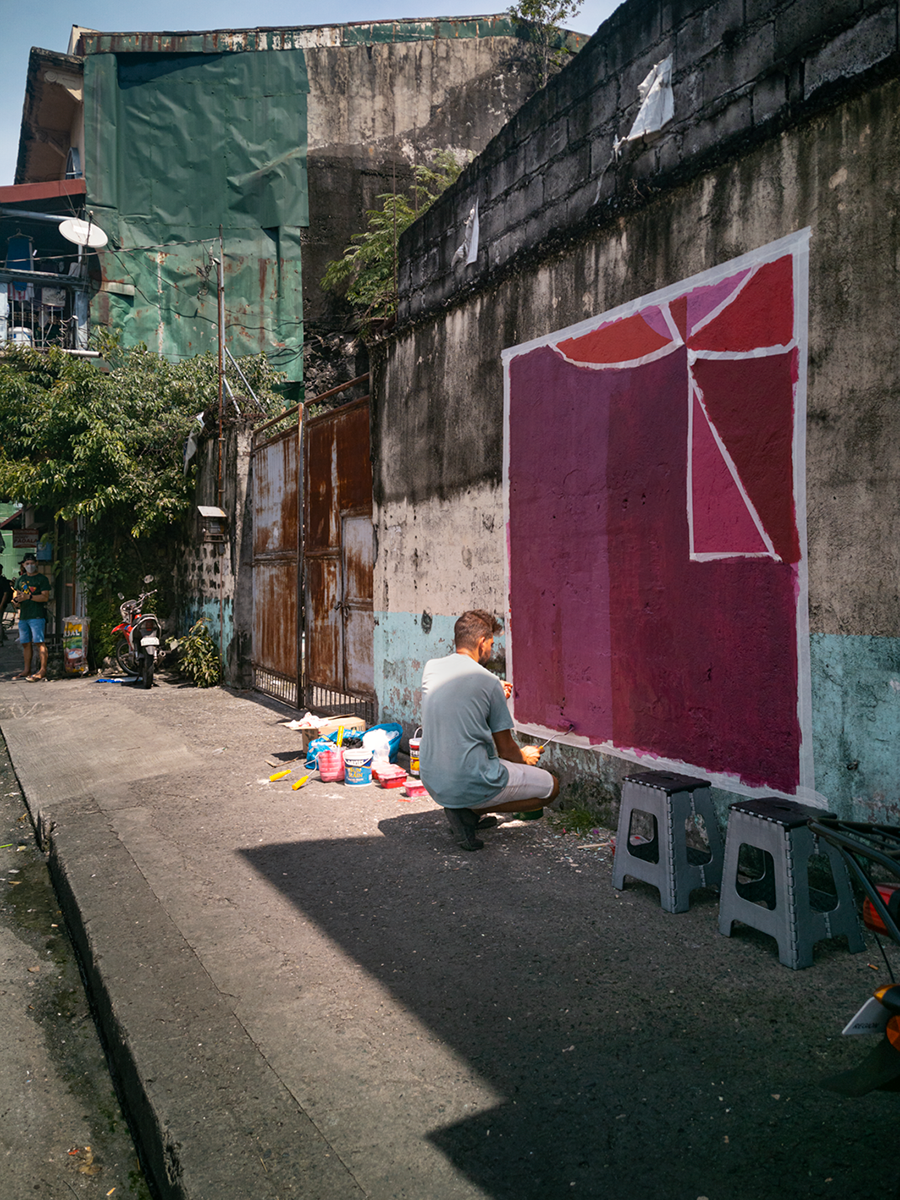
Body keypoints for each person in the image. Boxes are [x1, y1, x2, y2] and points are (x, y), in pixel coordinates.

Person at [419, 609, 560, 850]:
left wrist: (493, 692)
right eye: (492, 644)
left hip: (431, 776)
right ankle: (470, 811)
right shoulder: (489, 682)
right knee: (551, 787)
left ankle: (464, 809)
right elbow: (507, 750)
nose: (491, 651)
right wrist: (524, 757)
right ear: (482, 642)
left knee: (492, 765)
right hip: (464, 780)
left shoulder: (432, 668)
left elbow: (462, 703)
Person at [11, 553, 51, 681]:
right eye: (27, 563)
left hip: (37, 615)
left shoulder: (42, 579)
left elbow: (45, 597)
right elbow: (15, 594)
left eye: (32, 563)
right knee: (25, 643)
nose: (30, 566)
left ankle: (42, 670)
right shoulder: (20, 580)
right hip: (24, 616)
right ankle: (26, 669)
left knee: (39, 642)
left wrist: (29, 597)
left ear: (36, 564)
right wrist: (15, 601)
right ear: (23, 565)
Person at [0, 568, 11, 644]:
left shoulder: (2, 580)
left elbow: (6, 593)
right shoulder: (3, 580)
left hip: (1, 604)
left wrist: (1, 605)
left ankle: (0, 640)